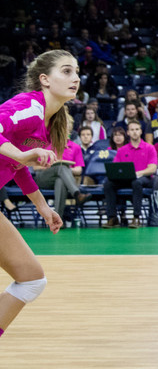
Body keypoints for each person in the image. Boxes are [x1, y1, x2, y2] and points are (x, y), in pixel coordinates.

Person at [0, 50, 78, 341]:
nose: (76, 78)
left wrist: (43, 207)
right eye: (67, 71)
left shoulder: (47, 124)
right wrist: (22, 154)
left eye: (77, 73)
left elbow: (16, 167)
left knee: (31, 280)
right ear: (44, 79)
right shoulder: (29, 107)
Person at [102, 121, 157, 228]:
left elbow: (152, 168)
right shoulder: (122, 150)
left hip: (143, 178)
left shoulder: (149, 148)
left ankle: (136, 217)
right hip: (125, 179)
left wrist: (138, 173)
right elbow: (115, 167)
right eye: (132, 130)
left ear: (141, 131)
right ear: (128, 132)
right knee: (108, 183)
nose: (135, 132)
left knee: (136, 182)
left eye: (137, 129)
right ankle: (112, 218)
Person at [33, 126, 89, 221]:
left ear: (69, 134)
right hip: (44, 179)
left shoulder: (76, 147)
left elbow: (79, 170)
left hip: (63, 179)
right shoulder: (46, 145)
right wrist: (52, 165)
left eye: (65, 131)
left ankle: (57, 219)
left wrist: (65, 171)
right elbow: (35, 167)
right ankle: (77, 194)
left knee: (60, 180)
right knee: (61, 167)